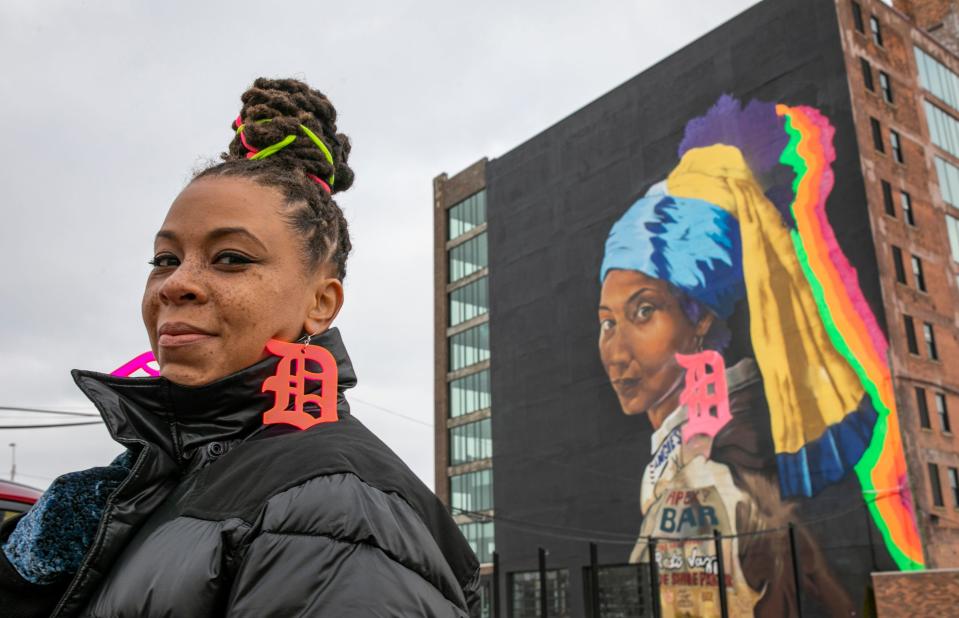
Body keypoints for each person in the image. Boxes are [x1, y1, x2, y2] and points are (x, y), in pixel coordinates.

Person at [0, 78, 479, 617]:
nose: (176, 283)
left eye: (231, 258)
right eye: (165, 259)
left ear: (320, 303)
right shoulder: (152, 480)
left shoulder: (336, 513)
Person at [597, 141, 864, 616]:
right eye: (606, 322)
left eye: (644, 311)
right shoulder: (706, 440)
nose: (616, 353)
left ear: (700, 318)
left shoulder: (712, 472)